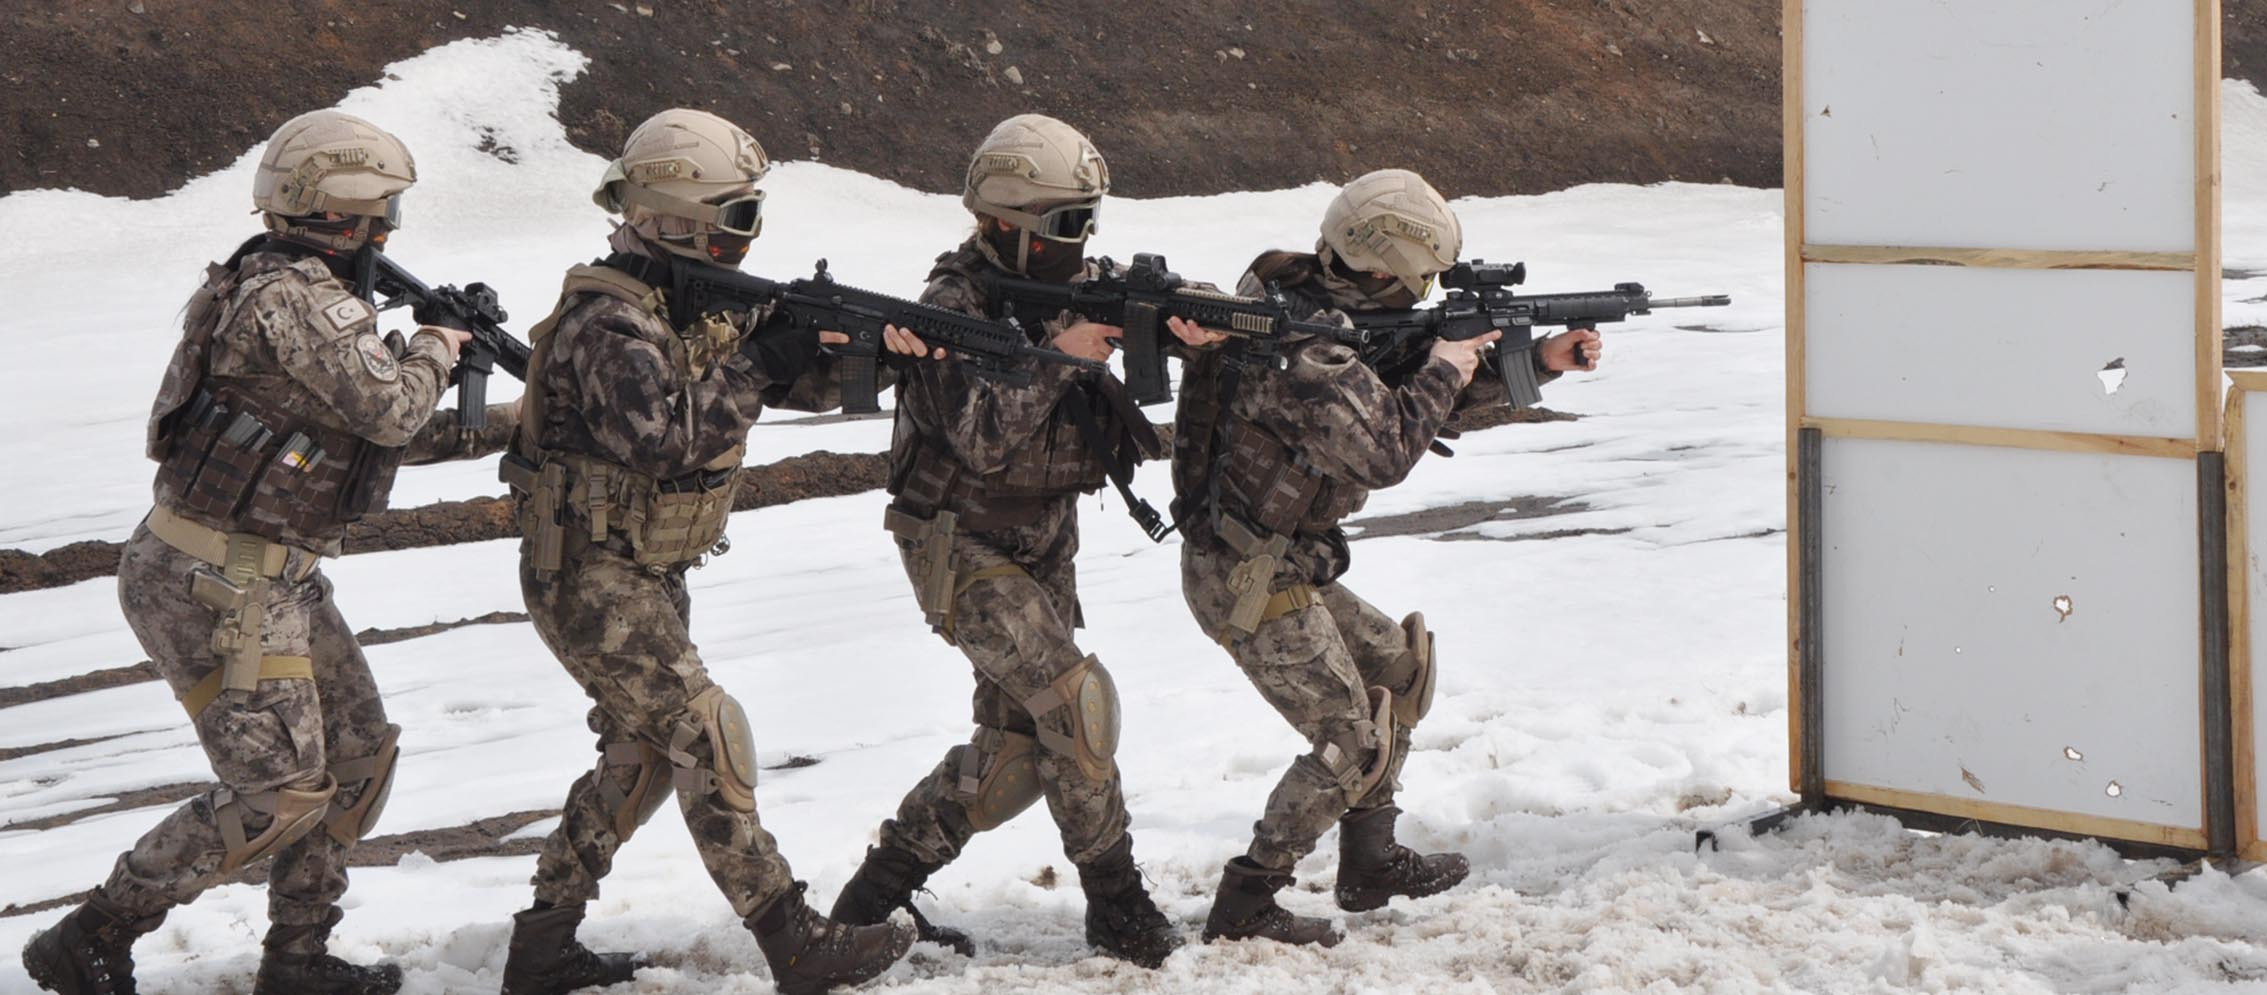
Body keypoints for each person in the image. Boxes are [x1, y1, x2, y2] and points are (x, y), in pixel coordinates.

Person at [20, 109, 517, 995]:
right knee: (279, 791)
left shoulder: (283, 289)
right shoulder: (297, 298)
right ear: (348, 214)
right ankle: (94, 933)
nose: (388, 233)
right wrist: (439, 344)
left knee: (359, 755)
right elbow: (393, 410)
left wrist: (507, 426)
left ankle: (299, 956)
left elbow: (354, 435)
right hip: (216, 580)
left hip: (268, 572)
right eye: (383, 214)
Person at [491, 107, 924, 995]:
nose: (744, 238)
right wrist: (764, 358)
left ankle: (542, 947)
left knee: (640, 758)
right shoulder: (605, 321)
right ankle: (791, 938)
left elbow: (781, 380)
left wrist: (876, 357)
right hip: (586, 572)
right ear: (671, 215)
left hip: (640, 568)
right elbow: (664, 436)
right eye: (732, 218)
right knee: (707, 732)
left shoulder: (677, 300)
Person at [827, 113, 1218, 969]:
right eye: (1068, 224)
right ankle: (1117, 902)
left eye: (1090, 220)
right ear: (1006, 223)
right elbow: (979, 440)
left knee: (1016, 751)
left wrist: (1194, 326)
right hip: (956, 542)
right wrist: (1063, 354)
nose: (1084, 242)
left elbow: (1177, 305)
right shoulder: (948, 309)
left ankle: (865, 903)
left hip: (1046, 537)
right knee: (1075, 706)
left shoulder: (1079, 281)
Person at [1173, 168, 1602, 946]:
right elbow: (1387, 448)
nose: (1423, 290)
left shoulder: (1316, 309)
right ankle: (1249, 898)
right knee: (1349, 739)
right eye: (1418, 277)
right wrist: (1448, 357)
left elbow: (1401, 401)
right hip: (1244, 575)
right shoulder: (1300, 349)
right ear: (1382, 268)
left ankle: (1368, 861)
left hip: (1286, 563)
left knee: (1397, 672)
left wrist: (1535, 362)